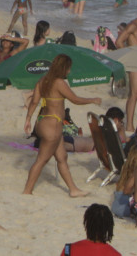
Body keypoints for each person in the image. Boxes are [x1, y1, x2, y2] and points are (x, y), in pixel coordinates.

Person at [23, 54, 101, 197]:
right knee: (42, 160)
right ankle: (27, 191)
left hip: (42, 122)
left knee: (62, 157)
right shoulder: (59, 83)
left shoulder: (43, 80)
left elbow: (34, 102)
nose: (69, 72)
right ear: (64, 68)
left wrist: (28, 119)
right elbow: (75, 99)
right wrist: (92, 100)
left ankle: (73, 189)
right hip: (52, 125)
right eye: (68, 68)